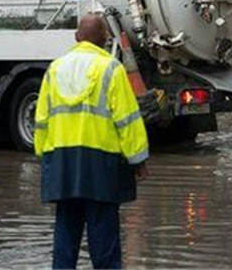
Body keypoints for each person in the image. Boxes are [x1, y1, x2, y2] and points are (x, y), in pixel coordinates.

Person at [34, 14, 149, 269]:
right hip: (101, 163)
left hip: (62, 162)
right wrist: (138, 159)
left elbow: (41, 119)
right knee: (104, 239)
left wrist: (45, 158)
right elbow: (127, 120)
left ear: (77, 37)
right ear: (106, 41)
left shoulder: (55, 68)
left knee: (65, 234)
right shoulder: (111, 69)